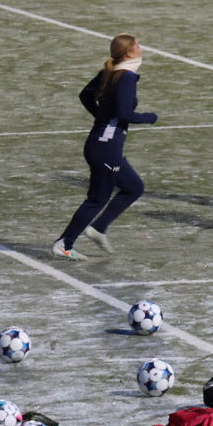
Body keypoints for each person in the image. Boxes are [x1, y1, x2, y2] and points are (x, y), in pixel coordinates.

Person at [51, 34, 157, 260]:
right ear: (128, 53)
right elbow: (124, 113)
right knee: (97, 199)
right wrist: (149, 117)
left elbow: (85, 95)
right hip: (106, 149)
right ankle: (65, 243)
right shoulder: (126, 77)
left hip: (100, 146)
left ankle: (97, 228)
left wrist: (101, 116)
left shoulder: (111, 72)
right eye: (138, 45)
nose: (141, 48)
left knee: (133, 187)